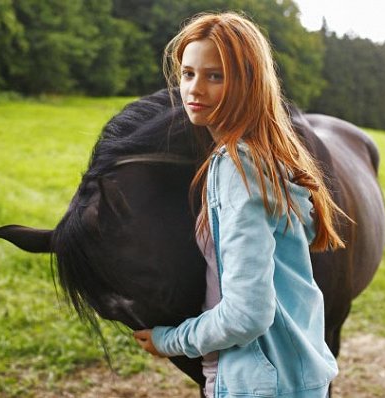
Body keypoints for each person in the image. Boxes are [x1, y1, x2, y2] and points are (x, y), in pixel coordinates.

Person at [133, 12, 346, 398]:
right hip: (296, 377)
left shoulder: (237, 167)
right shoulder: (272, 159)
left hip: (261, 386)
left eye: (216, 76)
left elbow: (247, 314)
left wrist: (170, 340)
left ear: (248, 83)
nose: (194, 90)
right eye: (188, 74)